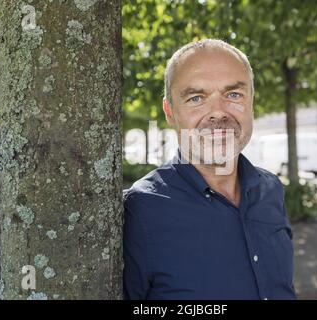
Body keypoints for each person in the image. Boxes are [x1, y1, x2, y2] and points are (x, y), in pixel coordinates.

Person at [123, 39, 296, 300]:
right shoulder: (140, 209)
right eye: (196, 98)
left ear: (251, 102)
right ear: (170, 112)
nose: (218, 112)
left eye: (233, 95)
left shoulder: (271, 189)